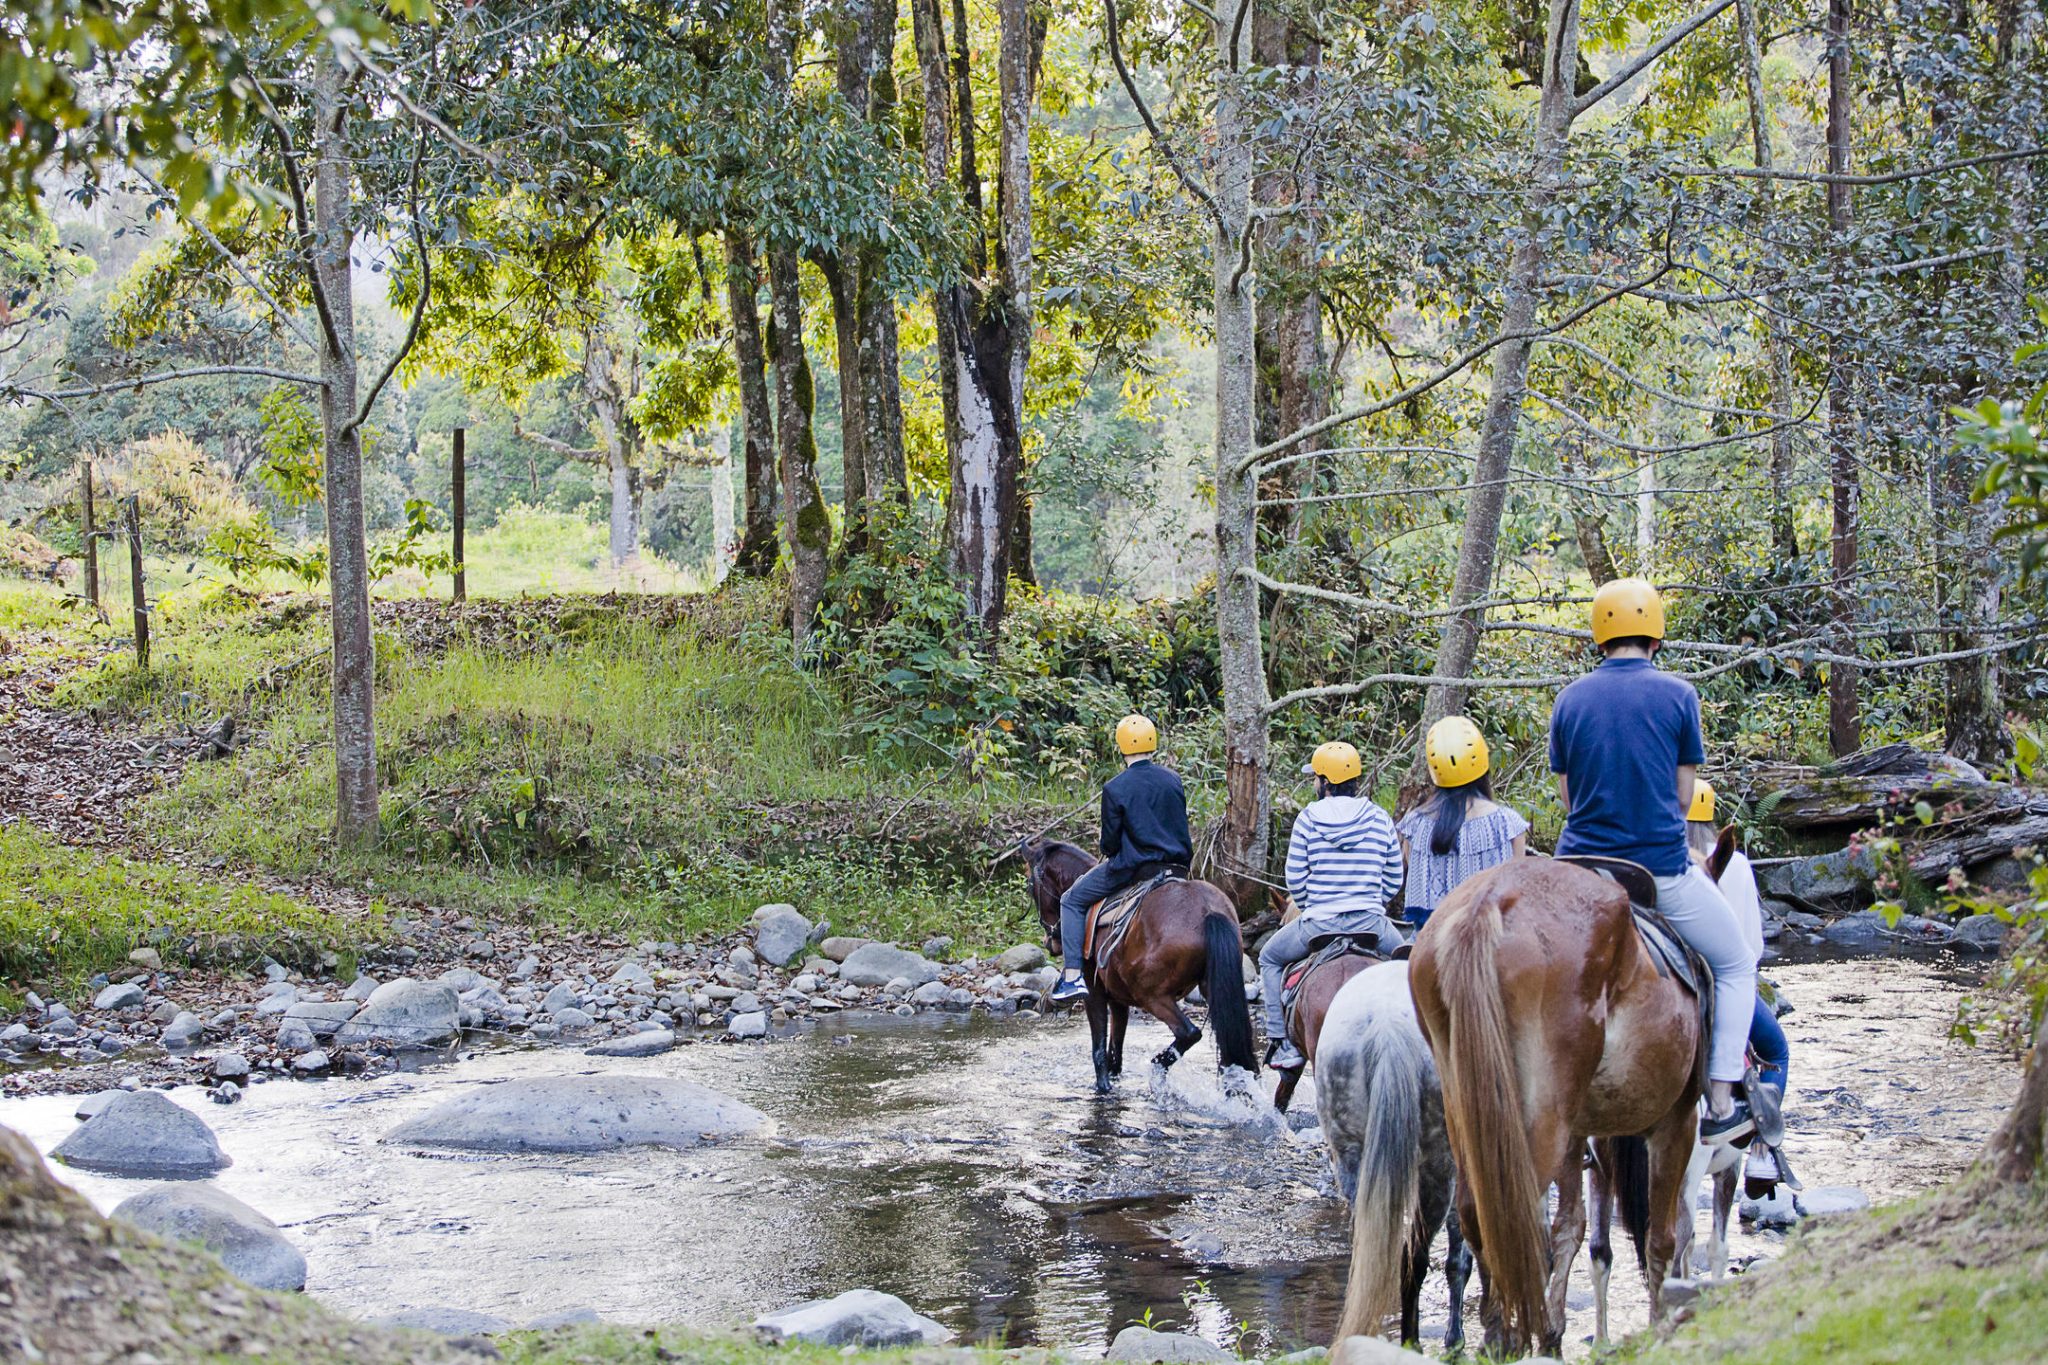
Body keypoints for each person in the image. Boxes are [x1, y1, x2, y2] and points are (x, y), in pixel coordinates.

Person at [1550, 577, 1759, 1145]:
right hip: (1657, 872)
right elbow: (1685, 796)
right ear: (1656, 638)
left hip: (1577, 871)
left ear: (1599, 637)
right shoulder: (1679, 696)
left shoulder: (1569, 699)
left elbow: (1568, 798)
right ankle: (1722, 1100)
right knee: (1736, 965)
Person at [1262, 741, 1407, 1072]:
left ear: (1326, 782)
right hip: (1371, 924)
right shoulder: (1378, 817)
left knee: (1269, 958)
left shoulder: (1307, 819)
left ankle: (1282, 1043)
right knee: (1410, 966)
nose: (1314, 783)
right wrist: (1372, 901)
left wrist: (1314, 905)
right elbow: (1394, 877)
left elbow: (1295, 879)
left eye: (1316, 777)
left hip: (1319, 923)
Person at [1050, 714, 1194, 1004]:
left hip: (1134, 870)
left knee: (1071, 900)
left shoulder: (1115, 788)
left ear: (1121, 746)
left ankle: (1073, 976)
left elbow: (1110, 844)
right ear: (1153, 743)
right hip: (1178, 869)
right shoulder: (1173, 780)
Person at [1687, 779, 1789, 1187]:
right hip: (1727, 983)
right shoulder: (1737, 865)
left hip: (1675, 974)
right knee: (1777, 1050)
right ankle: (1762, 1150)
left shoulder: (1665, 860)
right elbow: (1752, 946)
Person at [1396, 716, 1529, 931]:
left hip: (1430, 940)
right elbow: (1517, 891)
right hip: (1491, 939)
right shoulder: (1508, 824)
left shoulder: (1414, 825)